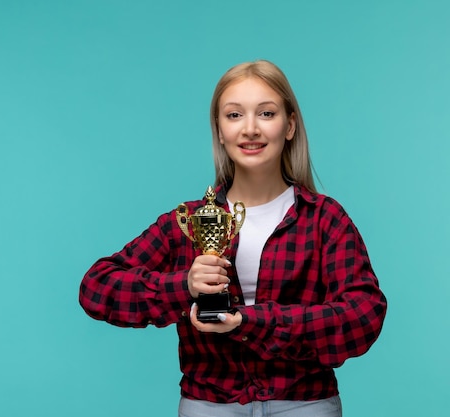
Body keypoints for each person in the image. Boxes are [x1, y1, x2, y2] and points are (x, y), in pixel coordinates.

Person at [79, 60, 387, 417]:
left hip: (304, 403)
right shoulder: (190, 221)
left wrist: (248, 322)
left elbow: (364, 315)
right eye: (235, 115)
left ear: (289, 126)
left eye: (267, 113)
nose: (251, 129)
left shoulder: (324, 219)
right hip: (210, 405)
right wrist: (184, 286)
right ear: (220, 130)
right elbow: (96, 288)